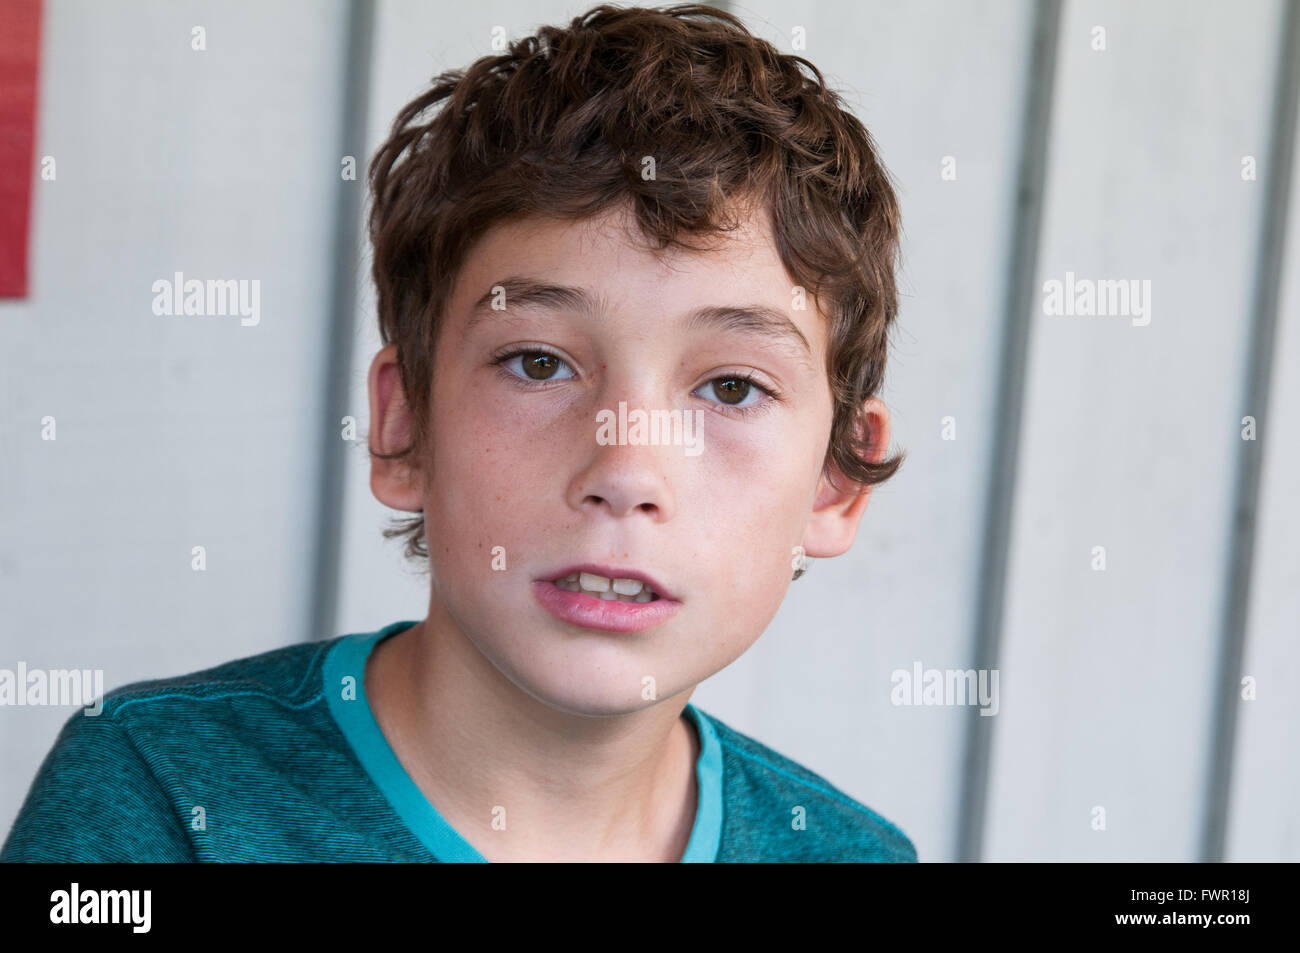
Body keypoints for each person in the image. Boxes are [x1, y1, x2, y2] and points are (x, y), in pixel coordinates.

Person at [2, 2, 915, 862]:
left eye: (730, 385)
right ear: (405, 426)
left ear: (838, 479)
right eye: (540, 363)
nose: (627, 467)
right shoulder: (154, 800)